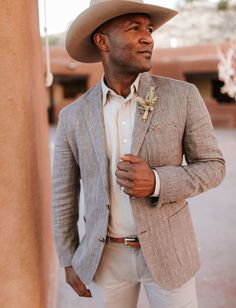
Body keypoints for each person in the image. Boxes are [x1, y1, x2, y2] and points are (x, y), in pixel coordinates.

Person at [52, 1, 225, 307]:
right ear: (102, 41)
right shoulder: (72, 117)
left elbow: (213, 166)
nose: (148, 38)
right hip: (105, 259)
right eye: (135, 28)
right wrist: (68, 258)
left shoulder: (183, 96)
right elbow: (63, 194)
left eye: (149, 29)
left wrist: (158, 182)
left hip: (170, 254)